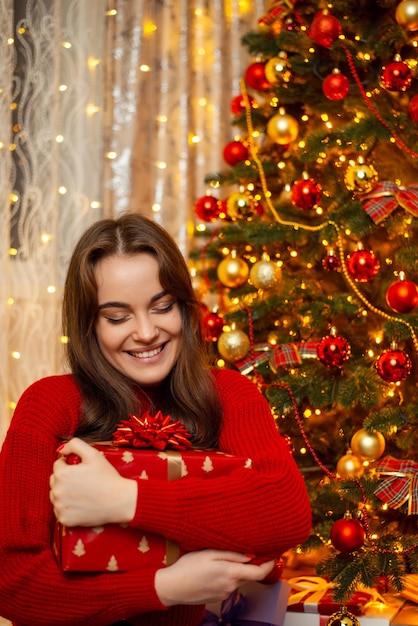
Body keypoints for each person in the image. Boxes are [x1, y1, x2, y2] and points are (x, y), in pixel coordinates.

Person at [0, 213, 311, 626]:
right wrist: (167, 587)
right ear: (89, 325)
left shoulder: (228, 394)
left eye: (162, 307)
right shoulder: (50, 402)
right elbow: (13, 584)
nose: (146, 332)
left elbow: (286, 512)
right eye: (117, 316)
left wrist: (122, 500)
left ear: (184, 307)